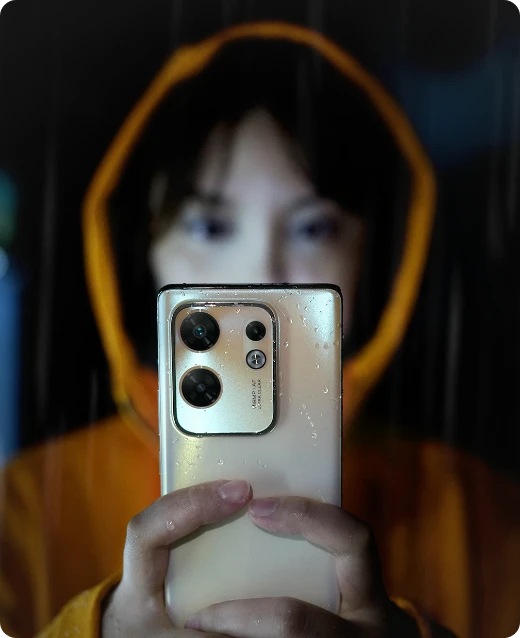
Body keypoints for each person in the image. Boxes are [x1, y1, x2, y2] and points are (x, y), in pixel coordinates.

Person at [1, 22, 519, 638]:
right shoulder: (21, 510)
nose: (261, 274)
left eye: (313, 228)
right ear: (143, 251)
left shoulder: (483, 516)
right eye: (210, 227)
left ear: (375, 257)